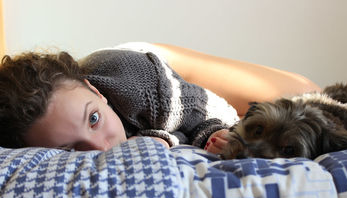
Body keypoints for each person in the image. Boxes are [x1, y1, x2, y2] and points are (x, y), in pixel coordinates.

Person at [0, 42, 321, 154]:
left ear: (95, 92)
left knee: (305, 94)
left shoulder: (138, 86)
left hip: (147, 67)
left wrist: (213, 134)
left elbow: (204, 116)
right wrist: (163, 139)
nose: (101, 147)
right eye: (70, 149)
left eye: (94, 119)